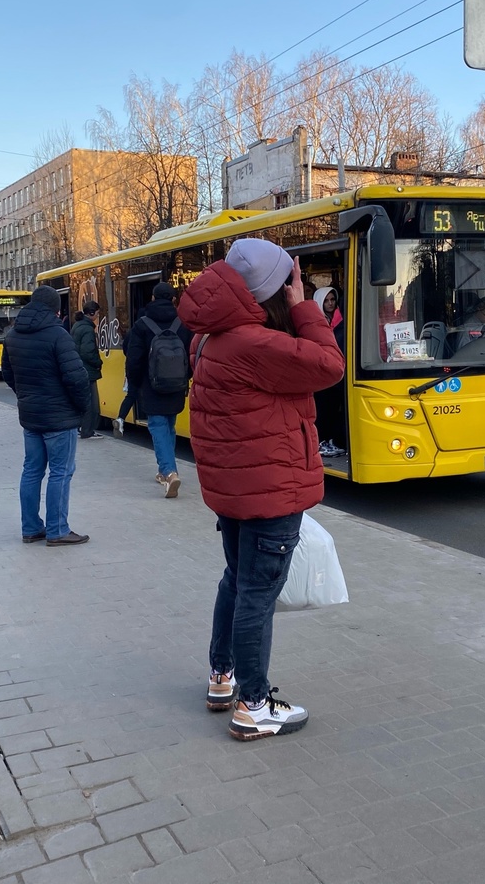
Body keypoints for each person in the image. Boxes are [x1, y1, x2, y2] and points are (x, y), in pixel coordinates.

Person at [179, 237, 344, 741]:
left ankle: (222, 676)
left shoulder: (210, 338)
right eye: (290, 282)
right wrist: (305, 310)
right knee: (256, 594)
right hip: (270, 488)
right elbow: (329, 365)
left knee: (236, 581)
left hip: (235, 487)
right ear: (274, 291)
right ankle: (253, 705)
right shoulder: (256, 344)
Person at [1, 285, 94, 547]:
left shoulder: (13, 334)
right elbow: (76, 378)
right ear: (56, 309)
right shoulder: (58, 335)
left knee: (31, 470)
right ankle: (57, 530)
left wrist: (25, 395)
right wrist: (82, 408)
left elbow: (8, 373)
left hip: (31, 416)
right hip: (59, 417)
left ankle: (31, 528)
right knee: (61, 472)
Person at [123, 281, 191, 498]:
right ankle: (164, 471)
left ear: (152, 298)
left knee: (158, 425)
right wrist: (184, 378)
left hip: (151, 385)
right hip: (177, 386)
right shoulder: (183, 323)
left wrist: (135, 383)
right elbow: (190, 355)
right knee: (169, 424)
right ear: (174, 299)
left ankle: (170, 473)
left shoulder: (142, 324)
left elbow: (133, 360)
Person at [311, 286, 347, 457]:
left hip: (337, 372)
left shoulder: (342, 321)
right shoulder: (315, 322)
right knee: (323, 409)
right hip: (321, 373)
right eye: (326, 301)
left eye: (332, 300)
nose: (330, 303)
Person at [70, 302, 104, 440]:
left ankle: (82, 428)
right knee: (92, 403)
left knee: (85, 401)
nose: (97, 315)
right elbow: (87, 351)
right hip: (88, 371)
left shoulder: (77, 326)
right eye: (97, 313)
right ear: (91, 313)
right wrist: (98, 363)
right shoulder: (87, 329)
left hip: (79, 369)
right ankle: (88, 431)